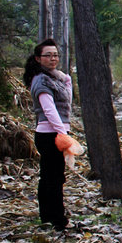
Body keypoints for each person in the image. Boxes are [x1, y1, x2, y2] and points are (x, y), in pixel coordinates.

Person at [23, 39, 73, 230]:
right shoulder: (41, 80)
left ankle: (51, 216)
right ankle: (54, 218)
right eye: (48, 55)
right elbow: (49, 109)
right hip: (49, 134)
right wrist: (63, 133)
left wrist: (64, 78)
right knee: (52, 176)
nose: (53, 59)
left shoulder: (55, 78)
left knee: (55, 176)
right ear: (38, 58)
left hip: (58, 132)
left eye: (55, 55)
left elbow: (67, 99)